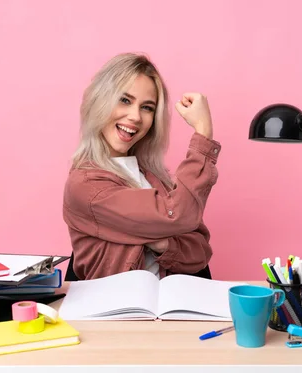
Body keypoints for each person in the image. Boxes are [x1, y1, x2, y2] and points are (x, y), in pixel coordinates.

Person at [62, 52, 222, 280]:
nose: (135, 117)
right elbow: (178, 216)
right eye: (125, 100)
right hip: (118, 310)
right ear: (100, 101)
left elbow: (200, 250)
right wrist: (203, 133)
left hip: (169, 307)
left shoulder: (154, 177)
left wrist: (161, 241)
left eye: (147, 107)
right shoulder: (86, 184)